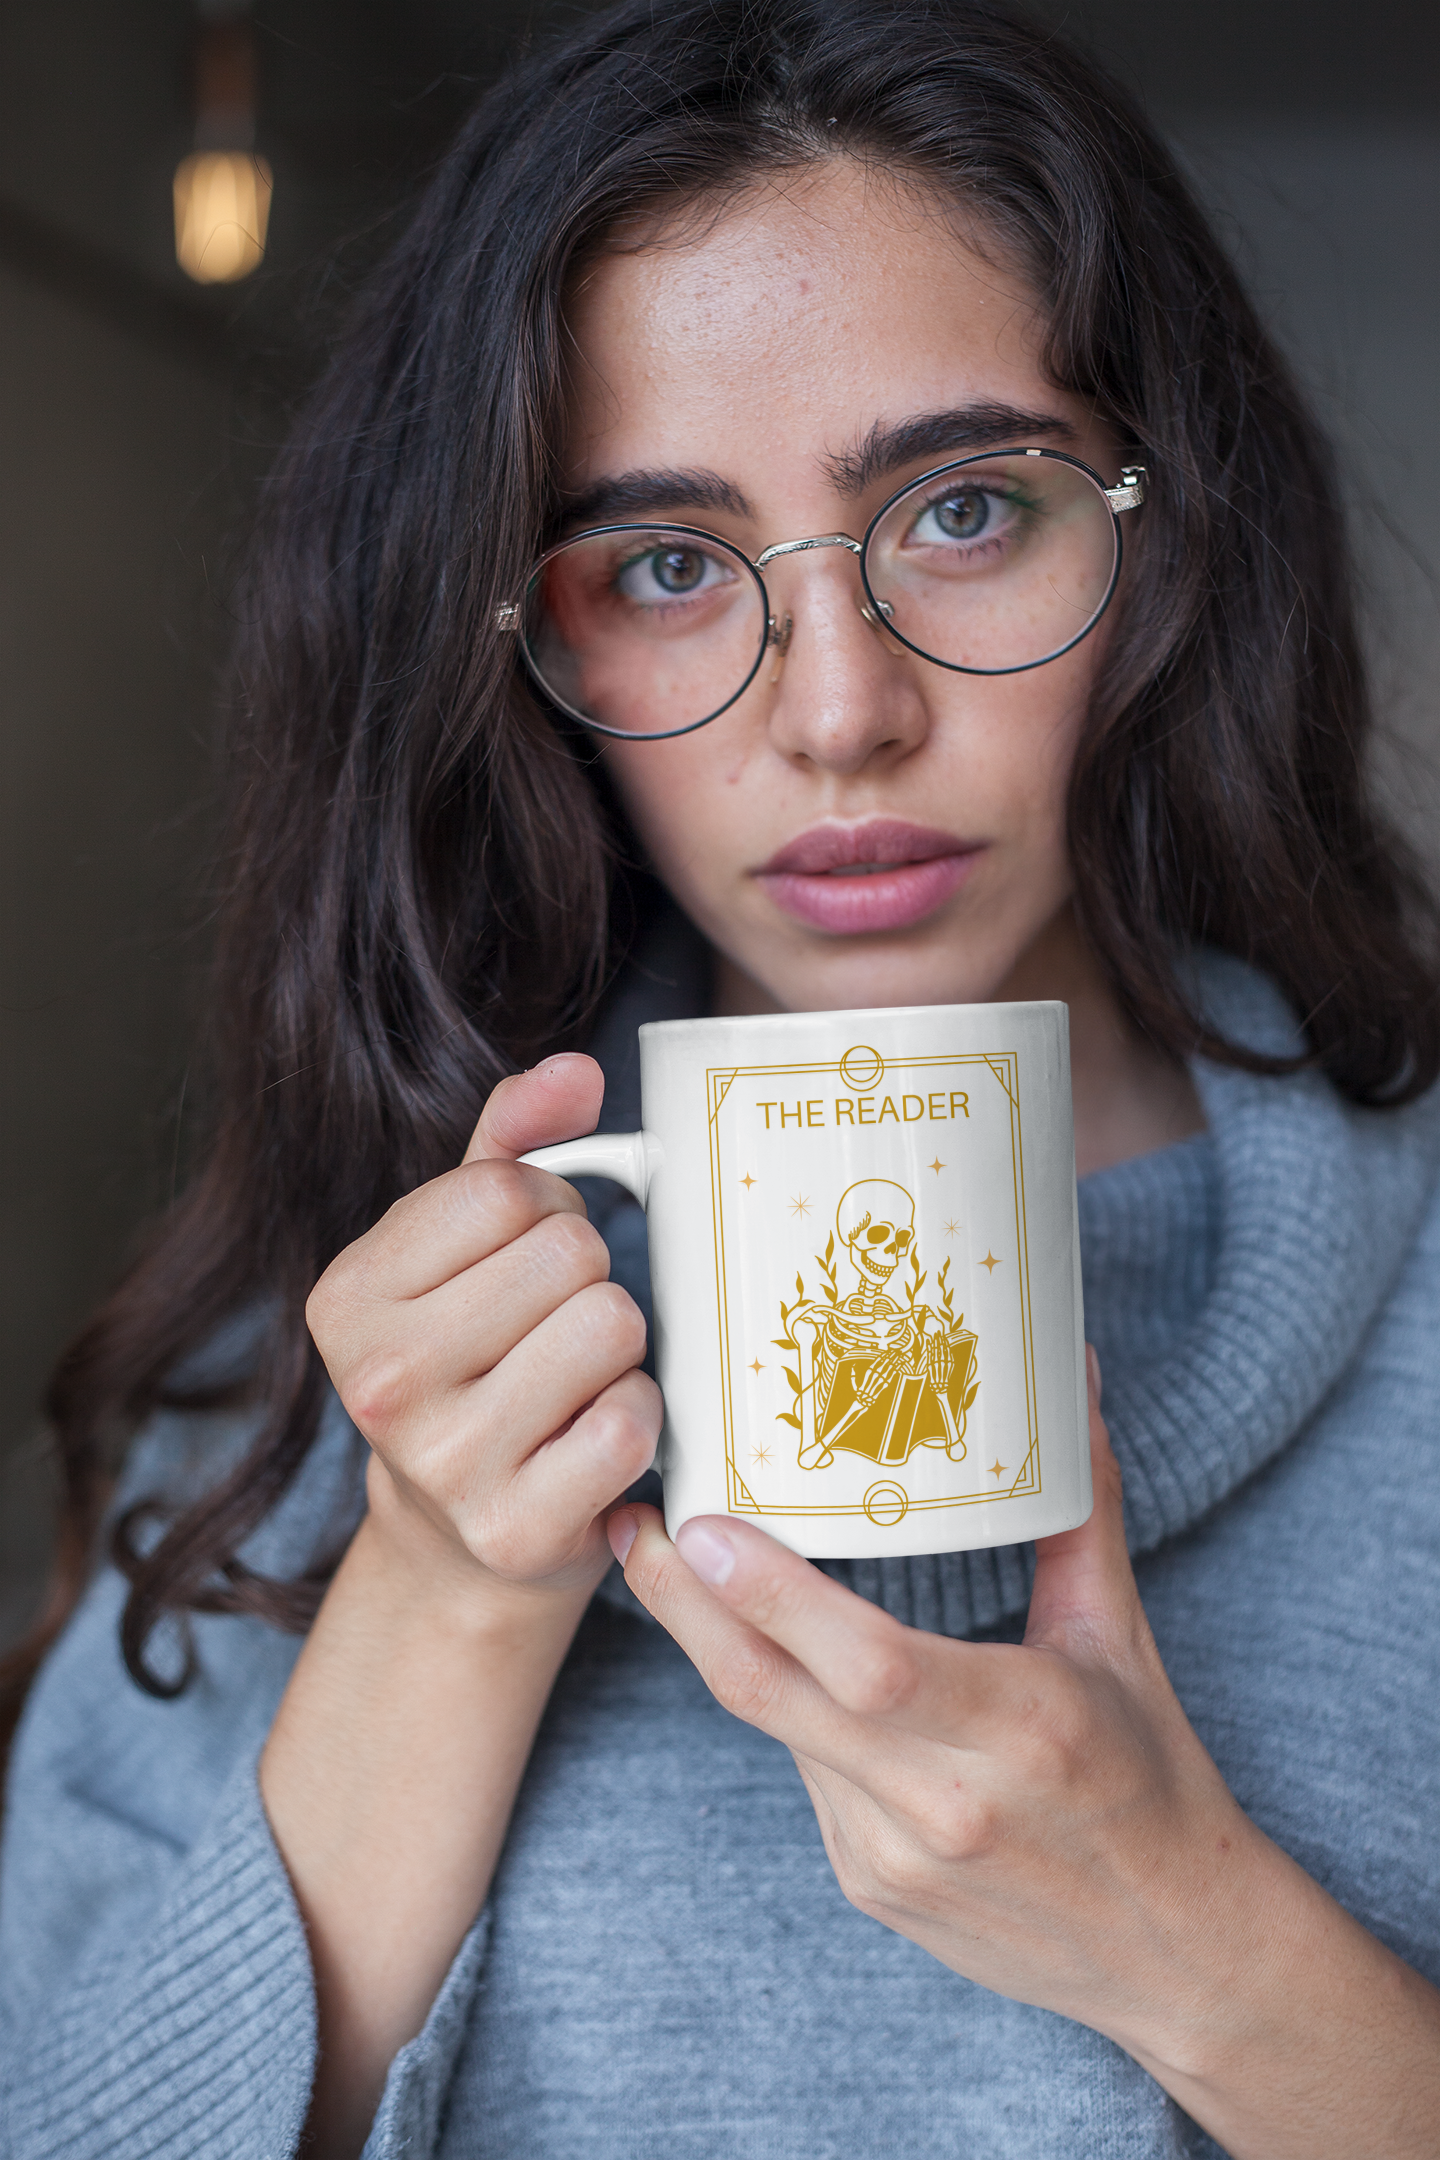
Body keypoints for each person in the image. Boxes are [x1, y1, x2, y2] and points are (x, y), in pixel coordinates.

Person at [3, 3, 1439, 2155]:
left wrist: (1207, 1953)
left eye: (966, 511)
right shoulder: (318, 1366)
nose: (839, 711)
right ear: (522, 650)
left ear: (1165, 538)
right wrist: (440, 1598)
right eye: (668, 569)